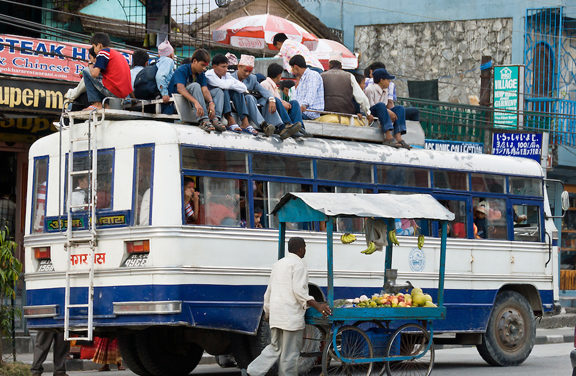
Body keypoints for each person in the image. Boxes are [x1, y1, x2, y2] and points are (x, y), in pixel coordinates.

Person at [242, 237, 331, 376]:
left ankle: (252, 372)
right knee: (290, 355)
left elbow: (269, 291)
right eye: (305, 247)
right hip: (291, 319)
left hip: (276, 317)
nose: (305, 251)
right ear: (301, 249)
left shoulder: (278, 264)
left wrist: (267, 311)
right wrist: (318, 305)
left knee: (274, 348)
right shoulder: (299, 265)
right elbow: (299, 291)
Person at [168, 49, 224, 132]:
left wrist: (211, 102)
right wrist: (196, 102)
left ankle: (215, 118)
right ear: (194, 61)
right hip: (178, 104)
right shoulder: (182, 70)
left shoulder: (201, 74)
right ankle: (204, 120)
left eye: (205, 66)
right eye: (202, 65)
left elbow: (205, 90)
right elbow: (180, 89)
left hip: (196, 105)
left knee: (218, 91)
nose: (204, 68)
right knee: (195, 85)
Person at [83, 32, 132, 110]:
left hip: (114, 91)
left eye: (94, 46)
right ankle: (106, 105)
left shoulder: (102, 53)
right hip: (123, 93)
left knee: (86, 71)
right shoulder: (116, 54)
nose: (94, 50)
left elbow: (94, 74)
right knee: (104, 78)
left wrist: (90, 64)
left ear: (99, 45)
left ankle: (96, 103)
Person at [365, 68, 411, 149]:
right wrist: (388, 111)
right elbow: (370, 106)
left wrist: (389, 112)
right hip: (372, 112)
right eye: (387, 80)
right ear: (381, 80)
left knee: (400, 109)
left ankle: (398, 137)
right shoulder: (370, 89)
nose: (389, 82)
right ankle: (388, 136)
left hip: (382, 110)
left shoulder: (385, 91)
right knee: (380, 105)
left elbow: (385, 105)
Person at [259, 62, 304, 138]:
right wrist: (281, 102)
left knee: (294, 103)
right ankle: (287, 125)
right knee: (276, 100)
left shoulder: (274, 86)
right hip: (271, 112)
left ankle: (300, 128)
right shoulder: (264, 84)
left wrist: (283, 103)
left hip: (278, 109)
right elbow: (269, 99)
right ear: (279, 75)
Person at [204, 53, 247, 132]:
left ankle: (244, 121)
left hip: (221, 100)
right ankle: (227, 118)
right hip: (210, 100)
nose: (226, 69)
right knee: (223, 90)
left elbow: (243, 88)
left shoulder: (226, 75)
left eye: (227, 67)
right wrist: (231, 83)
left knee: (238, 92)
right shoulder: (209, 74)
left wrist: (229, 84)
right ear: (214, 67)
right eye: (223, 67)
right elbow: (222, 85)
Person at [289, 55, 324, 121]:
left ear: (296, 67)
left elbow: (310, 95)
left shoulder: (313, 75)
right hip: (302, 112)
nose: (292, 71)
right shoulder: (301, 79)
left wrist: (301, 108)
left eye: (292, 68)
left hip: (309, 113)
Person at [155, 39, 176, 103]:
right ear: (170, 54)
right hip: (165, 94)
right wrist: (164, 94)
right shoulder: (168, 60)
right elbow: (160, 76)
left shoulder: (159, 61)